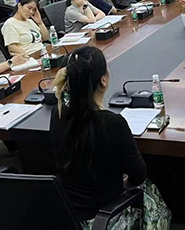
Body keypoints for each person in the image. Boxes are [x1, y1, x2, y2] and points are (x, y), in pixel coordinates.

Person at [51, 47, 171, 229]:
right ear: (103, 80)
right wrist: (124, 183)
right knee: (149, 192)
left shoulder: (58, 114)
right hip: (105, 219)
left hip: (68, 216)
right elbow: (139, 175)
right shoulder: (113, 123)